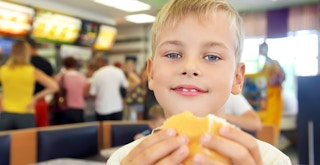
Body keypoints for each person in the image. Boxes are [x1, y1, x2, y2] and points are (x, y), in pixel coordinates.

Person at [107, 0, 291, 164]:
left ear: (237, 78)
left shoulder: (271, 160)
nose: (190, 67)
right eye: (173, 54)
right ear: (152, 73)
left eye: (212, 57)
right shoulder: (124, 159)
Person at [0, 40, 58, 131]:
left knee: (3, 144)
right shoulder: (32, 71)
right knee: (26, 144)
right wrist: (35, 98)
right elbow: (54, 87)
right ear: (27, 53)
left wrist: (1, 97)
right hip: (26, 113)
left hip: (5, 112)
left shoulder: (3, 70)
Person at [90, 54, 128, 121]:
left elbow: (93, 93)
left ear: (100, 61)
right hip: (117, 107)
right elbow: (125, 87)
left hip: (102, 108)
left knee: (104, 131)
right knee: (117, 129)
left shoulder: (97, 74)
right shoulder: (118, 71)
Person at [54, 56, 88, 124]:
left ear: (64, 65)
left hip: (63, 108)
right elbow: (85, 94)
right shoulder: (82, 77)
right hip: (79, 109)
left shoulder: (59, 77)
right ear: (75, 65)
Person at [29, 39, 54, 127]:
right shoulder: (46, 63)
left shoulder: (24, 65)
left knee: (25, 133)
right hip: (42, 101)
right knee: (41, 131)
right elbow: (53, 82)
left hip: (25, 102)